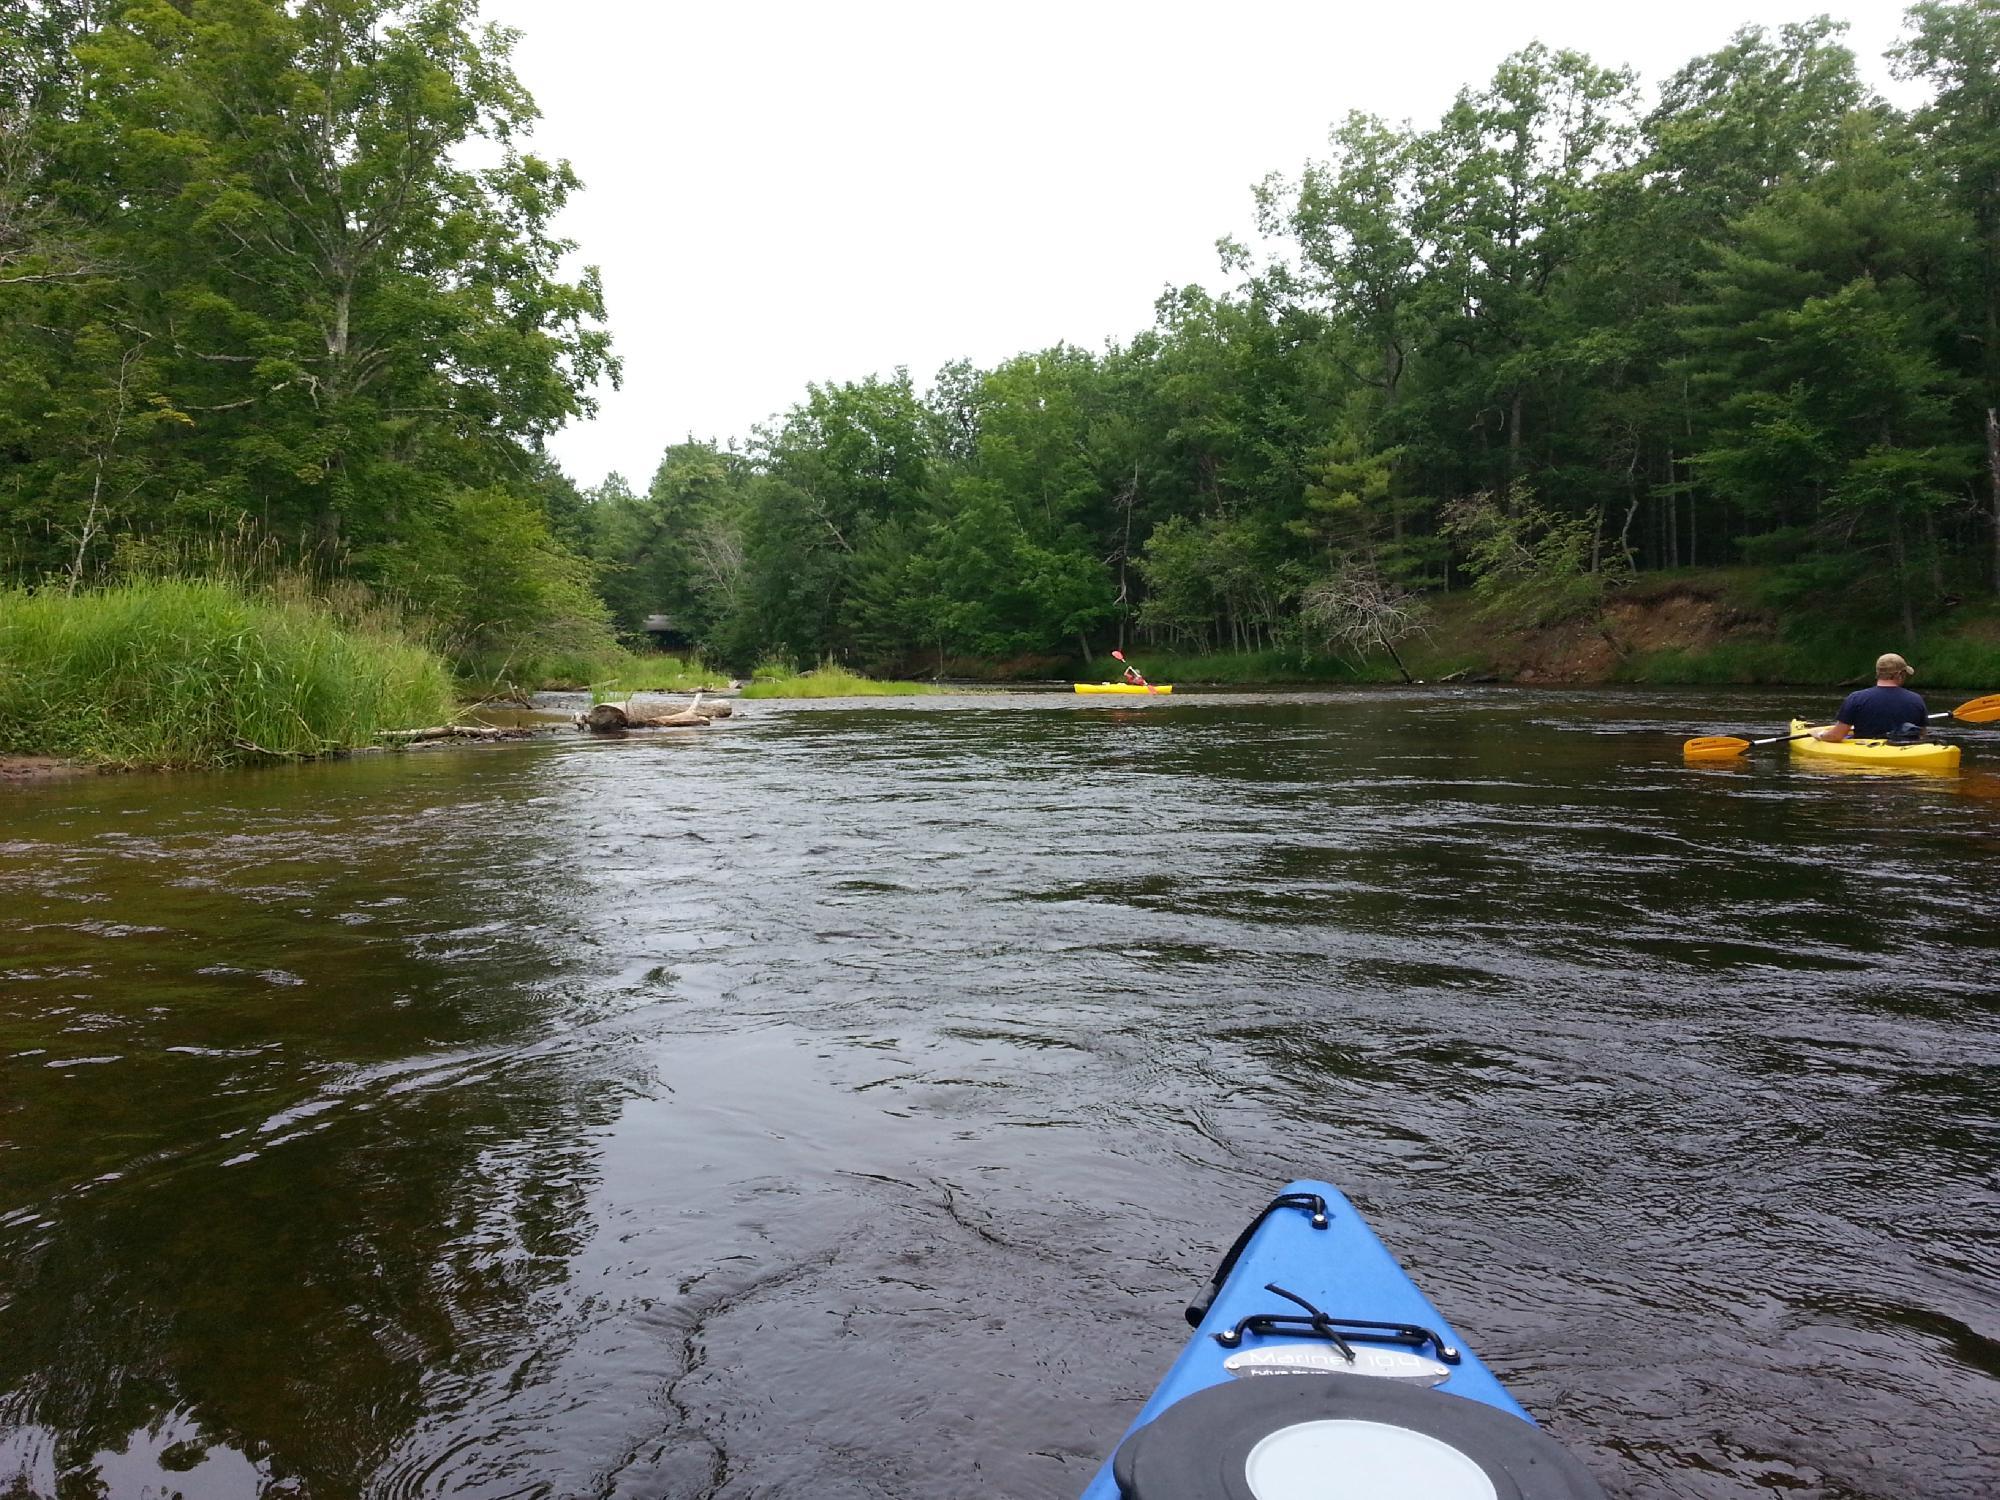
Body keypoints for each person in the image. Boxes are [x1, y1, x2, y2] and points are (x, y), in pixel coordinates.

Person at [1814, 653, 1929, 742]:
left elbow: (1836, 736)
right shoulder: (1916, 699)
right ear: (1900, 674)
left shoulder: (1856, 698)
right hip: (1904, 752)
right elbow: (1922, 735)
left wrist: (1820, 735)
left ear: (1878, 673)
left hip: (1865, 757)